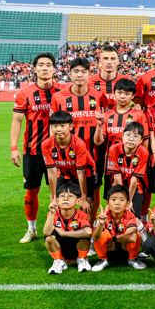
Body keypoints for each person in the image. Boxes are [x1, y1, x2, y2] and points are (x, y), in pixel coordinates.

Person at [11, 52, 63, 243]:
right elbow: (17, 121)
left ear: (54, 69)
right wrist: (13, 148)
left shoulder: (62, 92)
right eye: (40, 65)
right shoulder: (24, 93)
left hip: (58, 152)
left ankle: (58, 227)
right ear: (34, 69)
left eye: (48, 65)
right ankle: (31, 229)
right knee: (31, 190)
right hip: (32, 151)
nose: (44, 68)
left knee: (59, 192)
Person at [51, 57, 108, 213]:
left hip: (93, 155)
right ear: (69, 74)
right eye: (76, 71)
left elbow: (104, 123)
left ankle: (89, 228)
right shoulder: (59, 97)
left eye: (84, 72)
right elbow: (53, 127)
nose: (79, 75)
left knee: (92, 195)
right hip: (66, 158)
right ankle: (67, 228)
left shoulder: (99, 96)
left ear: (89, 74)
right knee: (64, 194)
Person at [93, 78, 148, 196]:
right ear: (114, 94)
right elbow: (98, 142)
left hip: (133, 165)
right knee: (113, 198)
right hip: (112, 164)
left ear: (133, 96)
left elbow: (144, 141)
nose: (122, 96)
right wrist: (100, 125)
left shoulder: (139, 115)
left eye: (127, 94)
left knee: (134, 198)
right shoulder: (107, 115)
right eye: (119, 92)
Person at [41, 111, 94, 213]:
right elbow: (52, 172)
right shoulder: (46, 145)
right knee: (58, 202)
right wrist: (53, 197)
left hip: (86, 172)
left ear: (71, 127)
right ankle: (62, 227)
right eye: (55, 126)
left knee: (86, 203)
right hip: (64, 173)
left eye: (62, 126)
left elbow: (81, 172)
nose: (59, 129)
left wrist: (83, 198)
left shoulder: (79, 144)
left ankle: (88, 227)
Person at [91, 185, 146, 271]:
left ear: (127, 203)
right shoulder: (103, 216)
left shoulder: (130, 216)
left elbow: (132, 237)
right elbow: (95, 237)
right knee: (102, 232)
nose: (117, 203)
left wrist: (114, 239)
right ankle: (102, 260)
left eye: (122, 200)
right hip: (108, 250)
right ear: (107, 202)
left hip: (125, 250)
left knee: (136, 234)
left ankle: (133, 259)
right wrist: (100, 224)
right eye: (113, 199)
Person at [42, 182, 93, 274]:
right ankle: (59, 261)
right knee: (49, 238)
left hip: (76, 248)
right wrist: (52, 213)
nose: (65, 198)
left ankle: (82, 259)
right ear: (57, 200)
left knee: (85, 236)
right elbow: (46, 232)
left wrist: (65, 233)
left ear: (78, 201)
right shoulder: (52, 214)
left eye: (70, 196)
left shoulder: (82, 215)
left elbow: (89, 232)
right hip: (60, 247)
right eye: (62, 196)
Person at [106, 122, 150, 216]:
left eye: (136, 136)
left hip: (136, 187)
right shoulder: (113, 149)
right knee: (115, 214)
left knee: (134, 216)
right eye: (128, 134)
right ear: (122, 136)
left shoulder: (143, 152)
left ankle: (140, 228)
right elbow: (117, 178)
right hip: (117, 185)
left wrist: (129, 201)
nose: (131, 138)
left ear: (141, 140)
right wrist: (122, 200)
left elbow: (134, 179)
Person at [89, 45, 130, 110]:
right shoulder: (89, 82)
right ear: (100, 61)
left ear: (118, 61)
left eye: (113, 58)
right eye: (105, 58)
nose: (109, 62)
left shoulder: (127, 81)